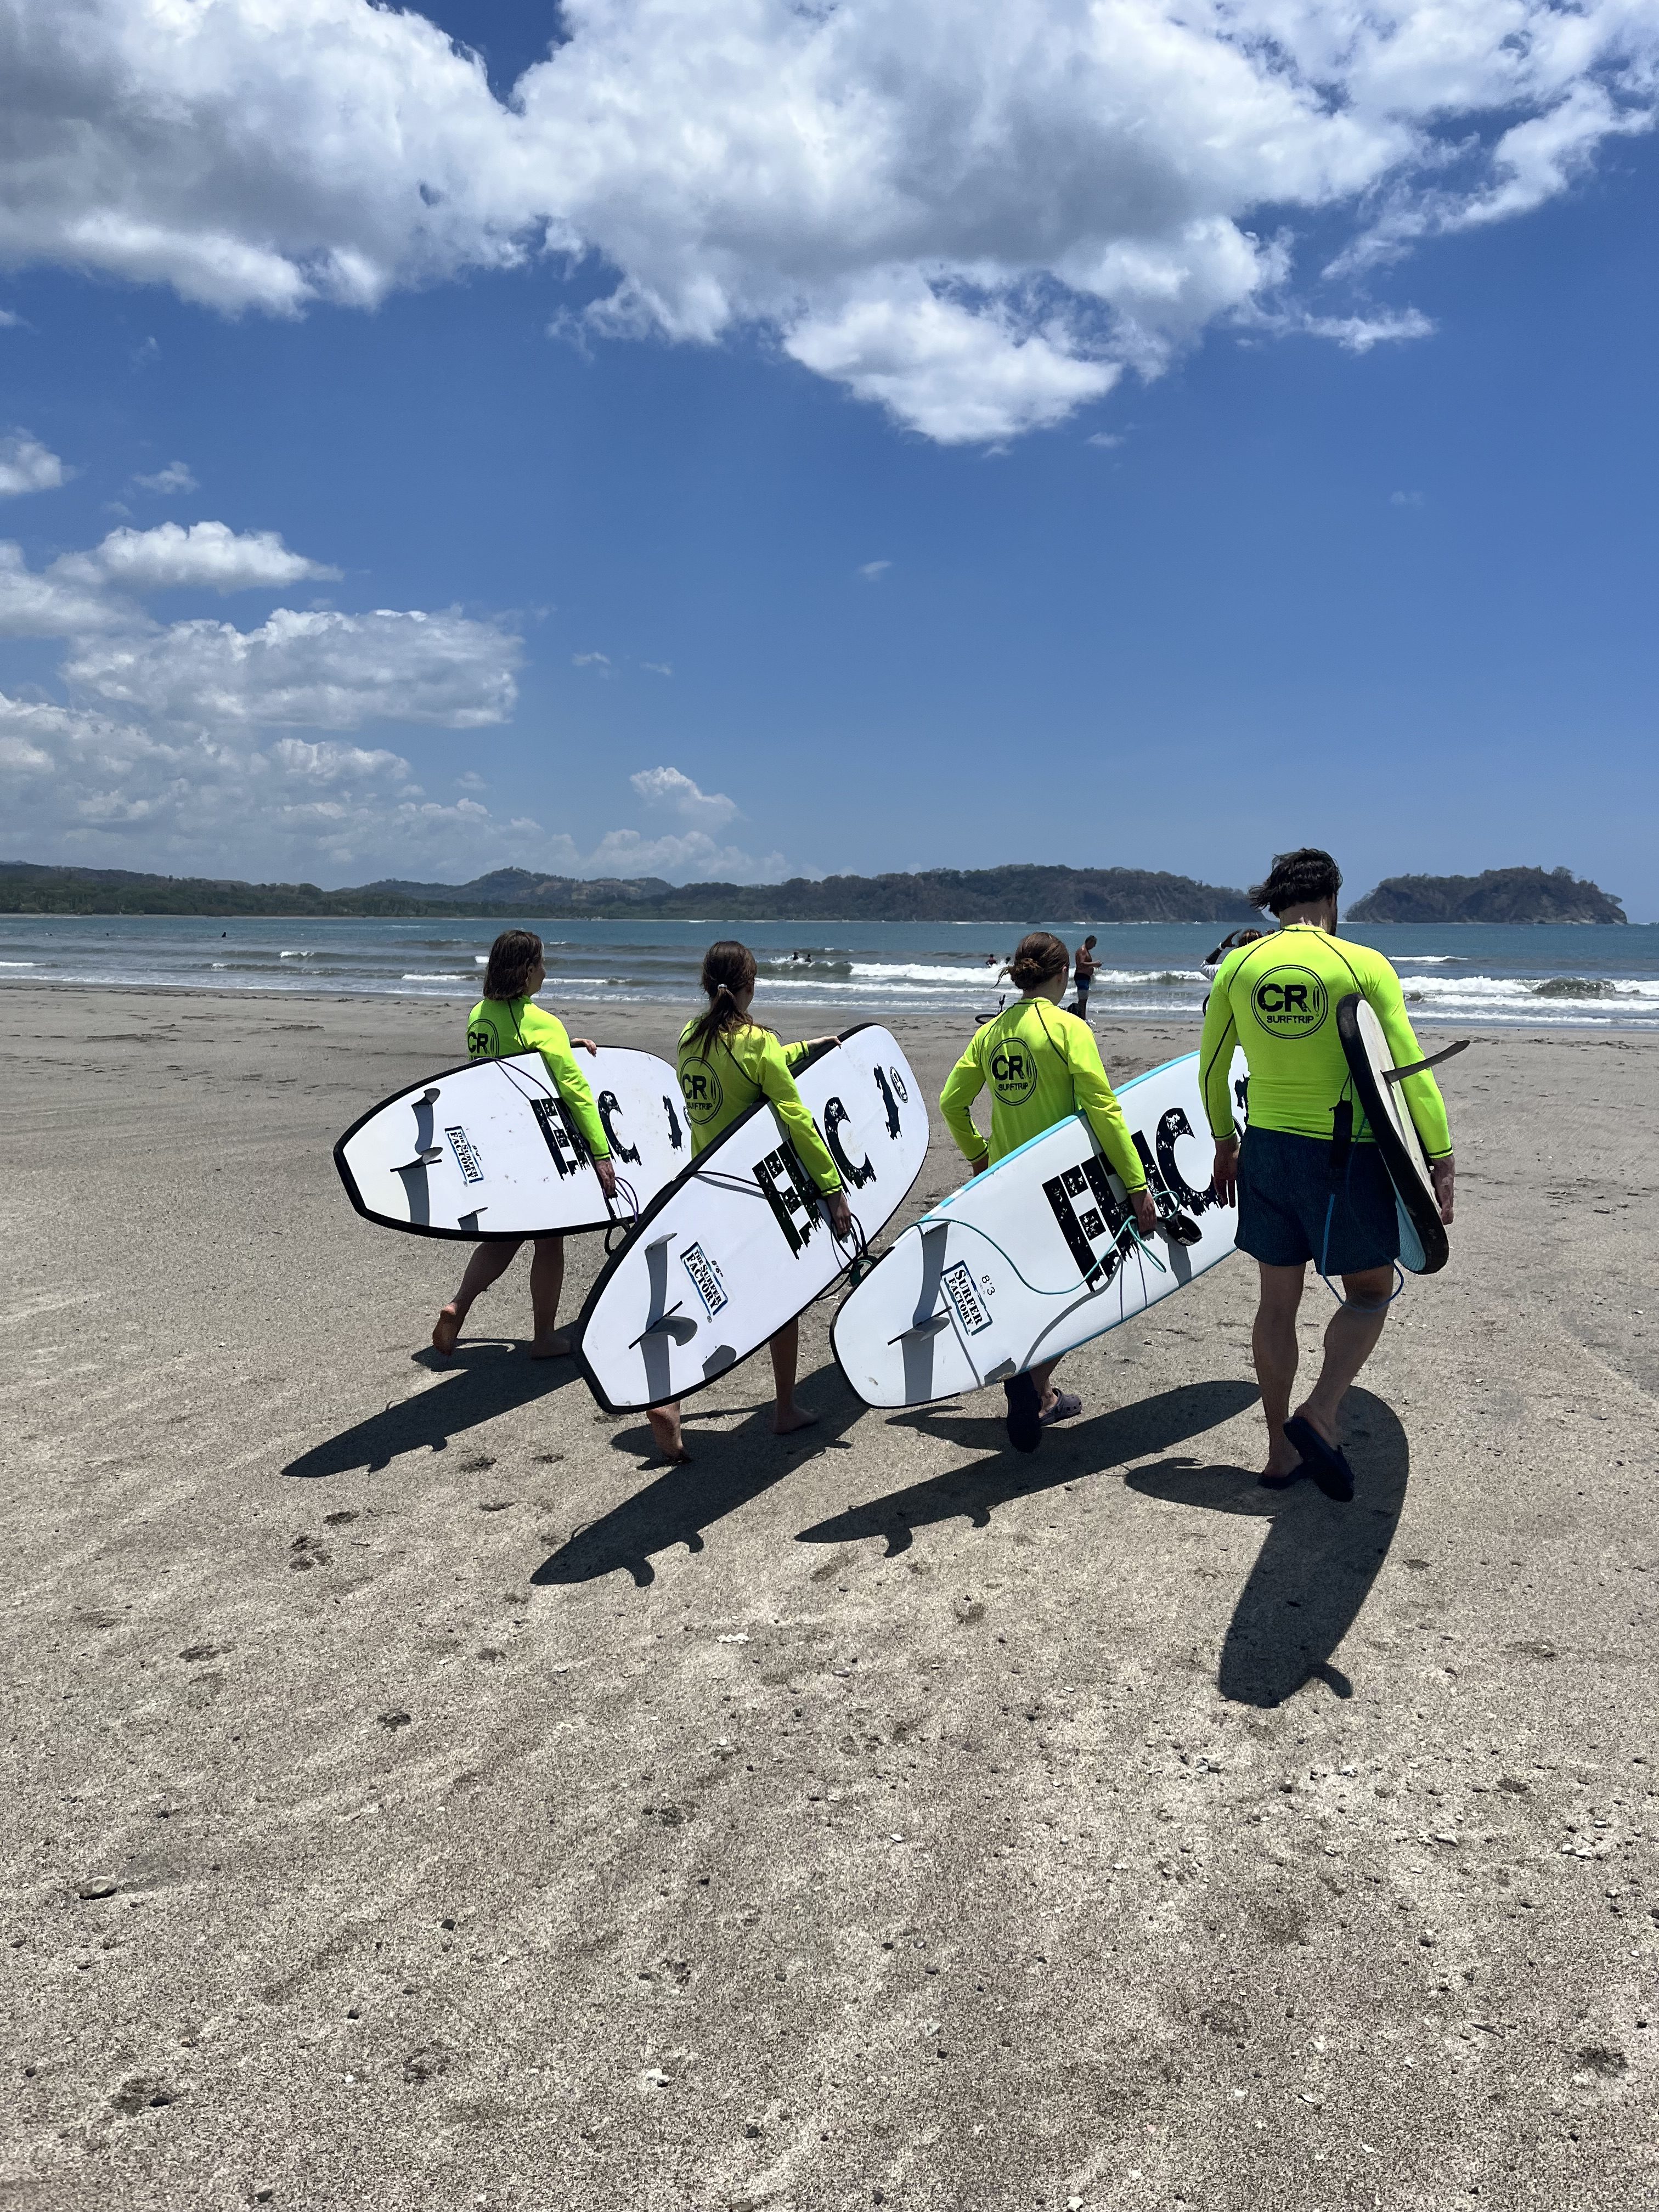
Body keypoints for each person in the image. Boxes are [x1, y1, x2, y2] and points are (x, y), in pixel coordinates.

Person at [1200, 849, 1454, 1500]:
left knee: (1275, 1303)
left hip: (1266, 1152)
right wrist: (1439, 1152)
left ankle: (1279, 1452)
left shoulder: (1239, 966)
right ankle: (1320, 1410)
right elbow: (1407, 1068)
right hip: (1347, 1157)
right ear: (1334, 898)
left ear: (1275, 901)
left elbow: (1211, 1067)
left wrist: (1225, 1142)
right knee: (1368, 1291)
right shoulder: (1362, 964)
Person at [941, 931, 1158, 1454]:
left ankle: (1037, 1391)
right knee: (1087, 1292)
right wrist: (1136, 1184)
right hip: (1066, 1187)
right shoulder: (1068, 1028)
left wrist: (980, 1158)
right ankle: (1035, 1387)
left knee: (1031, 1290)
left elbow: (951, 1102)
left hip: (1008, 1188)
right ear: (1062, 975)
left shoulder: (991, 1034)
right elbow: (1103, 1108)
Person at [645, 941, 853, 1464]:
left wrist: (804, 1049)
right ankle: (784, 1408)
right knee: (784, 1299)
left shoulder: (689, 1038)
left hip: (702, 1189)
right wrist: (832, 1189)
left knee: (707, 1296)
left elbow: (746, 1068)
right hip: (755, 1194)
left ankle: (670, 1400)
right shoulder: (758, 1043)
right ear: (750, 985)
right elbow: (796, 1118)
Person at [431, 930, 617, 1360]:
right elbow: (576, 1091)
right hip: (532, 1148)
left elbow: (509, 1060)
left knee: (508, 1236)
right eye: (542, 965)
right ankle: (544, 1337)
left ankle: (459, 1305)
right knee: (549, 1241)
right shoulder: (542, 1023)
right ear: (528, 970)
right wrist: (601, 1153)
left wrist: (563, 1048)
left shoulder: (479, 1014)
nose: (546, 972)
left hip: (490, 1141)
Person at [1070, 934, 1101, 1017]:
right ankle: (1082, 1018)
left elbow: (1086, 965)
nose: (1094, 946)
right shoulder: (1083, 950)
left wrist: (1094, 966)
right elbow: (1081, 964)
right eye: (1094, 944)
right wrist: (1095, 963)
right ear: (1089, 942)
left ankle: (1083, 1017)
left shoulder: (1086, 951)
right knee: (1083, 999)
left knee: (1084, 999)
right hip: (1081, 976)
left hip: (1085, 977)